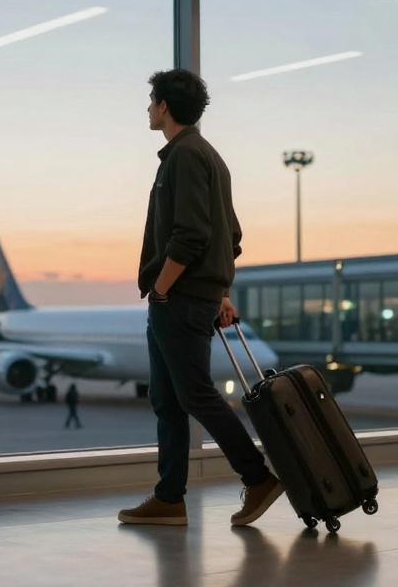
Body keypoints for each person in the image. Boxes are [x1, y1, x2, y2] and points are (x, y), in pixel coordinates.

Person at [118, 68, 282, 528]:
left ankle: (258, 478)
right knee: (168, 401)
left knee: (195, 395)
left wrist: (164, 287)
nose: (148, 108)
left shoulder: (185, 158)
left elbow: (191, 236)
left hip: (180, 298)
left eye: (151, 100)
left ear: (164, 106)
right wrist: (221, 292)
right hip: (194, 296)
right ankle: (169, 498)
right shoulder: (205, 156)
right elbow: (230, 235)